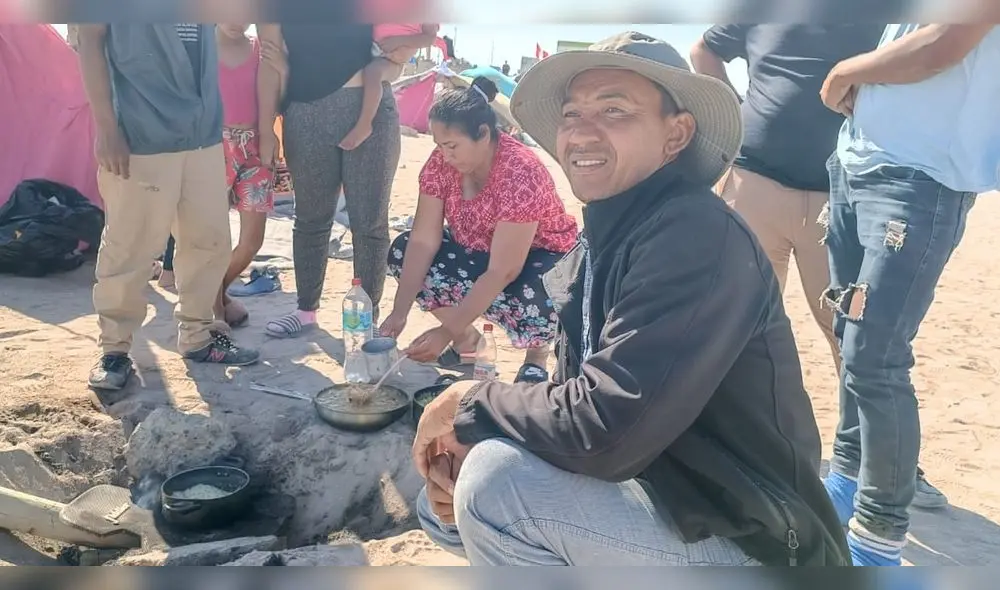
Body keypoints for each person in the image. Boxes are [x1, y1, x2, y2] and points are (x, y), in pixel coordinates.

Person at [410, 32, 848, 566]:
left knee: (496, 488)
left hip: (758, 539)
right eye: (571, 115)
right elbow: (578, 403)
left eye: (614, 110)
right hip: (665, 494)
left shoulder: (695, 234)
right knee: (446, 496)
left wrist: (471, 403)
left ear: (676, 135)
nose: (581, 133)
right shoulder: (602, 237)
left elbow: (605, 432)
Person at [819, 24, 998, 566]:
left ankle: (877, 536)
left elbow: (946, 43)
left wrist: (845, 71)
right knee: (852, 338)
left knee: (876, 357)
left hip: (919, 176)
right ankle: (846, 482)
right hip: (856, 162)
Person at [77, 24, 260, 391]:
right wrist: (107, 128)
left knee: (208, 240)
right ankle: (114, 349)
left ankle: (198, 335)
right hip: (140, 132)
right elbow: (90, 39)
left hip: (204, 133)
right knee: (130, 245)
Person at [380, 78, 578, 382]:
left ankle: (535, 357)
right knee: (402, 251)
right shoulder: (440, 164)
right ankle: (468, 344)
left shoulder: (520, 171)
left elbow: (504, 270)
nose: (445, 156)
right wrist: (399, 312)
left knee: (544, 289)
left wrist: (446, 330)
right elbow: (422, 240)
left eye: (452, 146)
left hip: (534, 261)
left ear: (484, 134)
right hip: (478, 253)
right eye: (440, 146)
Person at [256, 24, 405, 339]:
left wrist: (397, 58)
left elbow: (400, 47)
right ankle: (305, 310)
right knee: (310, 217)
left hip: (371, 109)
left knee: (370, 223)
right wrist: (267, 127)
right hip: (305, 111)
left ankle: (367, 320)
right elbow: (269, 61)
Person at [212, 24, 288, 327]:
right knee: (210, 237)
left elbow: (275, 96)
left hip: (255, 146)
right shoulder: (202, 45)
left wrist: (268, 130)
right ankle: (214, 306)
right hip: (212, 147)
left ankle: (215, 293)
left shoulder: (261, 47)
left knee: (252, 240)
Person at [340, 24, 440, 151]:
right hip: (370, 48)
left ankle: (364, 124)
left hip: (393, 59)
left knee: (372, 72)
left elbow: (429, 38)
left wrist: (399, 41)